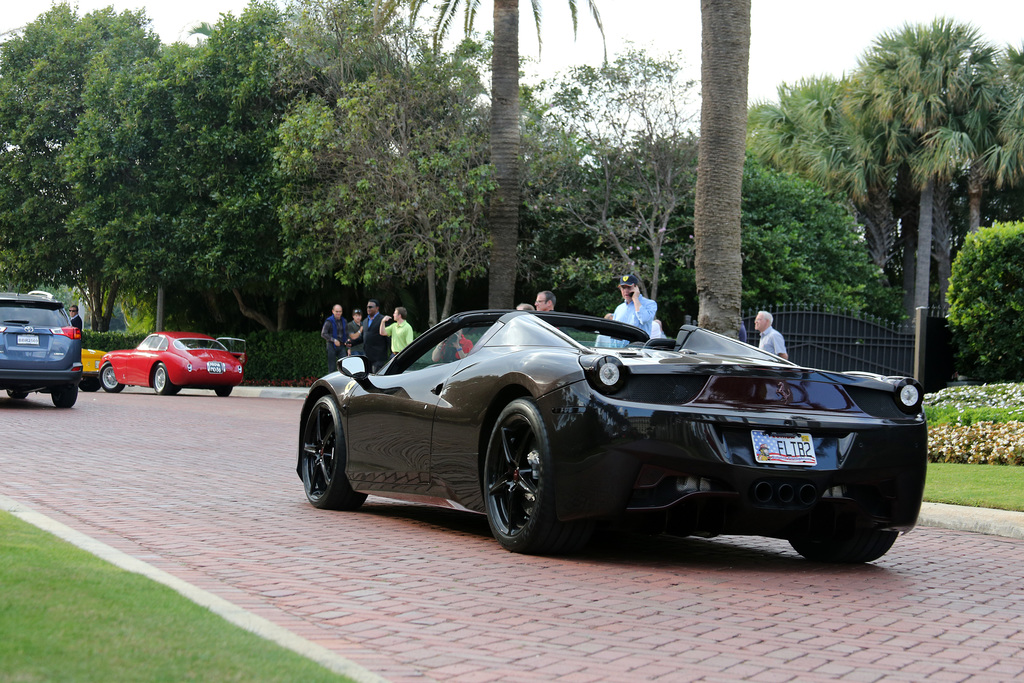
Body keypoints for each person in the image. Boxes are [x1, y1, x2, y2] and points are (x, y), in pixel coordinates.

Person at [351, 299, 390, 372]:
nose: (368, 309)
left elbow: (388, 337)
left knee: (376, 379)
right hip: (367, 357)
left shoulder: (383, 319)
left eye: (370, 307)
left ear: (377, 308)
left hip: (379, 357)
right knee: (367, 378)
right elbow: (363, 337)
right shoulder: (365, 321)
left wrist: (392, 353)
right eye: (367, 307)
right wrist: (351, 343)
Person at [320, 304, 347, 373]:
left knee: (343, 366)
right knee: (332, 367)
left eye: (340, 311)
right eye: (336, 311)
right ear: (333, 311)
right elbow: (323, 333)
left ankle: (342, 382)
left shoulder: (344, 321)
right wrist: (334, 340)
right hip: (331, 345)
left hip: (341, 345)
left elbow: (346, 333)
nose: (338, 313)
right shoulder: (329, 321)